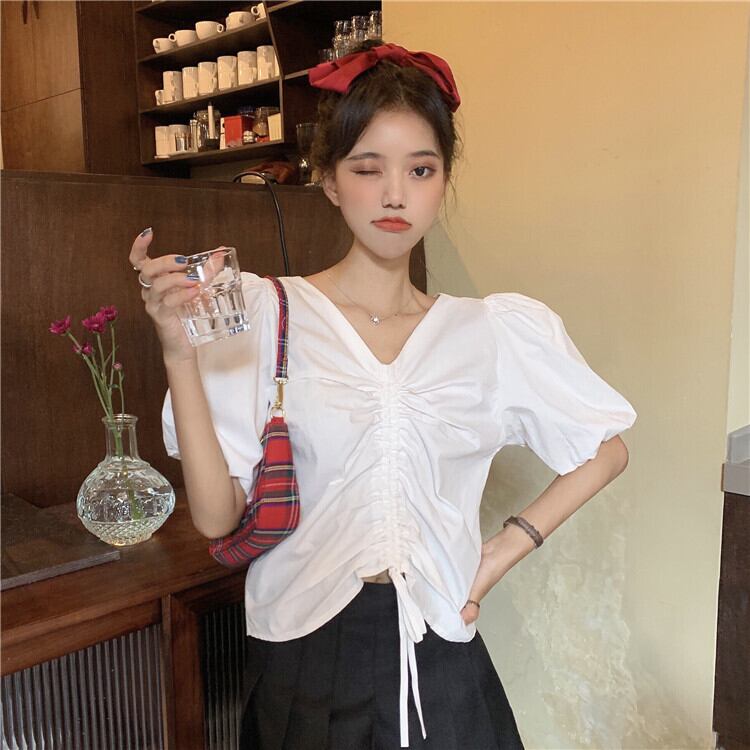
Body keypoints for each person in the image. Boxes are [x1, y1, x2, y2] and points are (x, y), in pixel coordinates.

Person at [129, 39, 637, 750]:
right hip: (304, 650)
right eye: (368, 169)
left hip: (441, 652)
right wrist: (179, 352)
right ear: (331, 181)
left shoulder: (491, 333)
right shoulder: (269, 313)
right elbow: (218, 518)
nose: (395, 194)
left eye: (420, 170)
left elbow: (605, 449)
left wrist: (499, 553)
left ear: (443, 180)